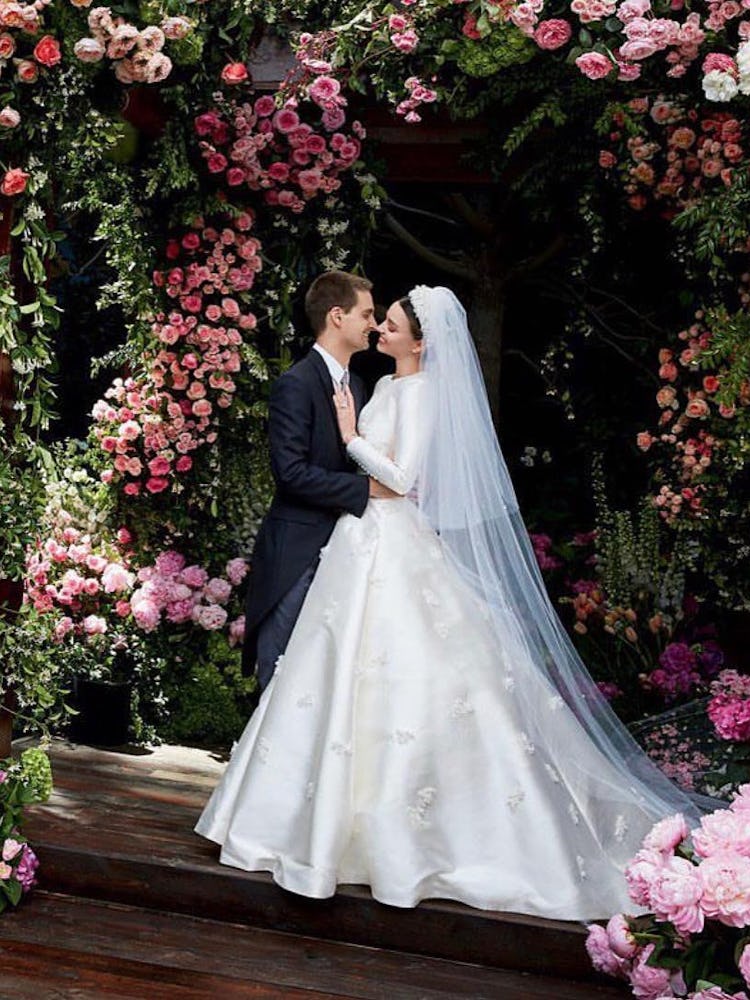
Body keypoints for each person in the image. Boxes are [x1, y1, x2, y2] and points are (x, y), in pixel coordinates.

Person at [196, 285, 707, 920]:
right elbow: (339, 475)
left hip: (390, 540)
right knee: (331, 675)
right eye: (372, 317)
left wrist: (354, 439)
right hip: (357, 542)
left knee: (412, 676)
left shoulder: (423, 392)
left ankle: (417, 838)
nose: (378, 327)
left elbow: (402, 479)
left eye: (389, 322)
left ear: (419, 340)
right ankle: (315, 825)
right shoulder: (375, 385)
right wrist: (361, 460)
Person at [241, 270, 396, 692]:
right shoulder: (296, 384)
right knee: (279, 671)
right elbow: (290, 473)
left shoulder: (361, 386)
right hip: (298, 552)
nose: (374, 324)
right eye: (366, 314)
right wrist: (365, 490)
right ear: (336, 316)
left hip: (349, 551)